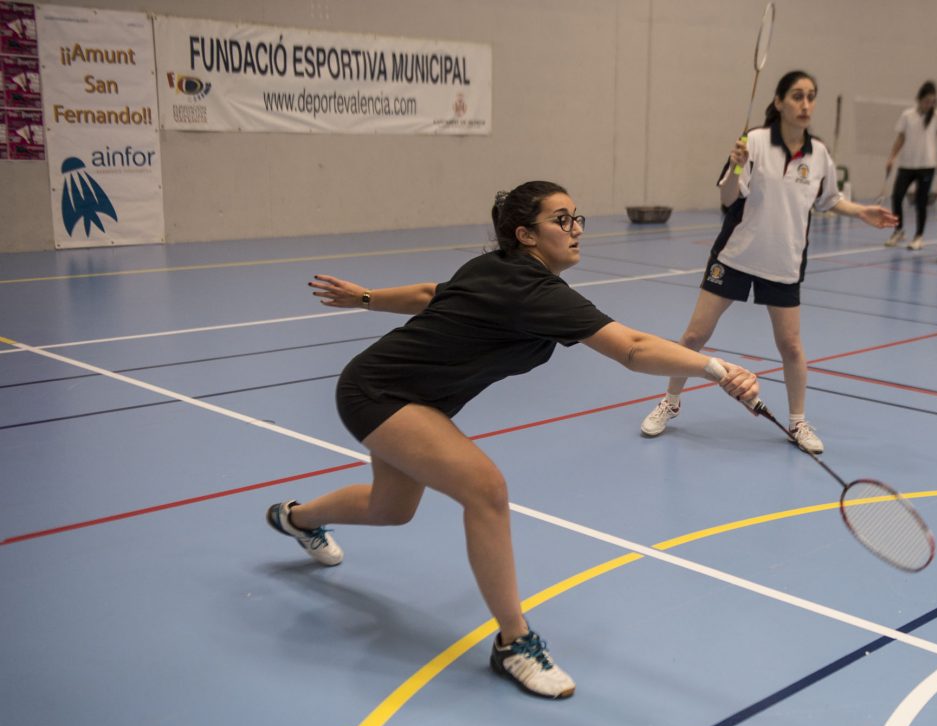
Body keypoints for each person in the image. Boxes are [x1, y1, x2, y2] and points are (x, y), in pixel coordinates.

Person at [265, 181, 759, 699]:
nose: (575, 230)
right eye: (561, 220)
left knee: (391, 508)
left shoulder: (500, 270)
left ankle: (295, 518)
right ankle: (514, 643)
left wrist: (364, 297)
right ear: (525, 235)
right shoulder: (529, 288)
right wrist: (717, 369)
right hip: (378, 392)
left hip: (415, 398)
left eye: (577, 218)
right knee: (486, 489)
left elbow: (430, 295)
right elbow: (632, 349)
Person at [639, 70, 897, 454]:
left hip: (783, 262)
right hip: (736, 256)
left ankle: (797, 423)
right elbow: (728, 198)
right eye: (797, 96)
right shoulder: (755, 142)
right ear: (779, 102)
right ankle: (670, 402)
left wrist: (861, 212)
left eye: (811, 96)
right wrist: (737, 164)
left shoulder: (819, 153)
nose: (805, 104)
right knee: (694, 337)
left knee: (791, 346)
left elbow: (828, 199)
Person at [883, 81, 937, 251]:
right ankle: (898, 231)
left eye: (932, 101)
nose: (929, 104)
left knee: (921, 202)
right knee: (897, 197)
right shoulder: (907, 115)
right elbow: (900, 138)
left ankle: (919, 236)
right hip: (907, 164)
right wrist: (891, 157)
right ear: (919, 99)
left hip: (926, 165)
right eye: (927, 101)